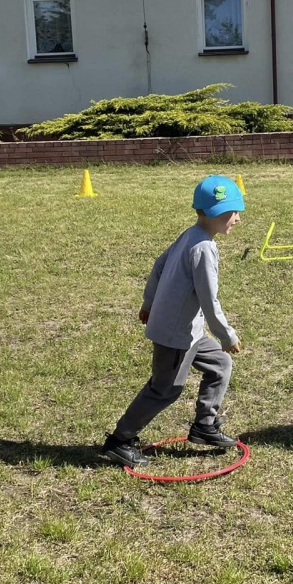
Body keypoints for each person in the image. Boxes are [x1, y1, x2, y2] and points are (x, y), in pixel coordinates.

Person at [101, 175, 245, 467]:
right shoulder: (204, 248)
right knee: (164, 389)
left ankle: (205, 425)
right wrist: (227, 336)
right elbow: (209, 299)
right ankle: (120, 441)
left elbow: (159, 264)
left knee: (220, 365)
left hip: (189, 331)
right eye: (233, 213)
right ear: (215, 213)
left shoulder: (190, 234)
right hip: (176, 334)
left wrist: (149, 302)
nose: (238, 220)